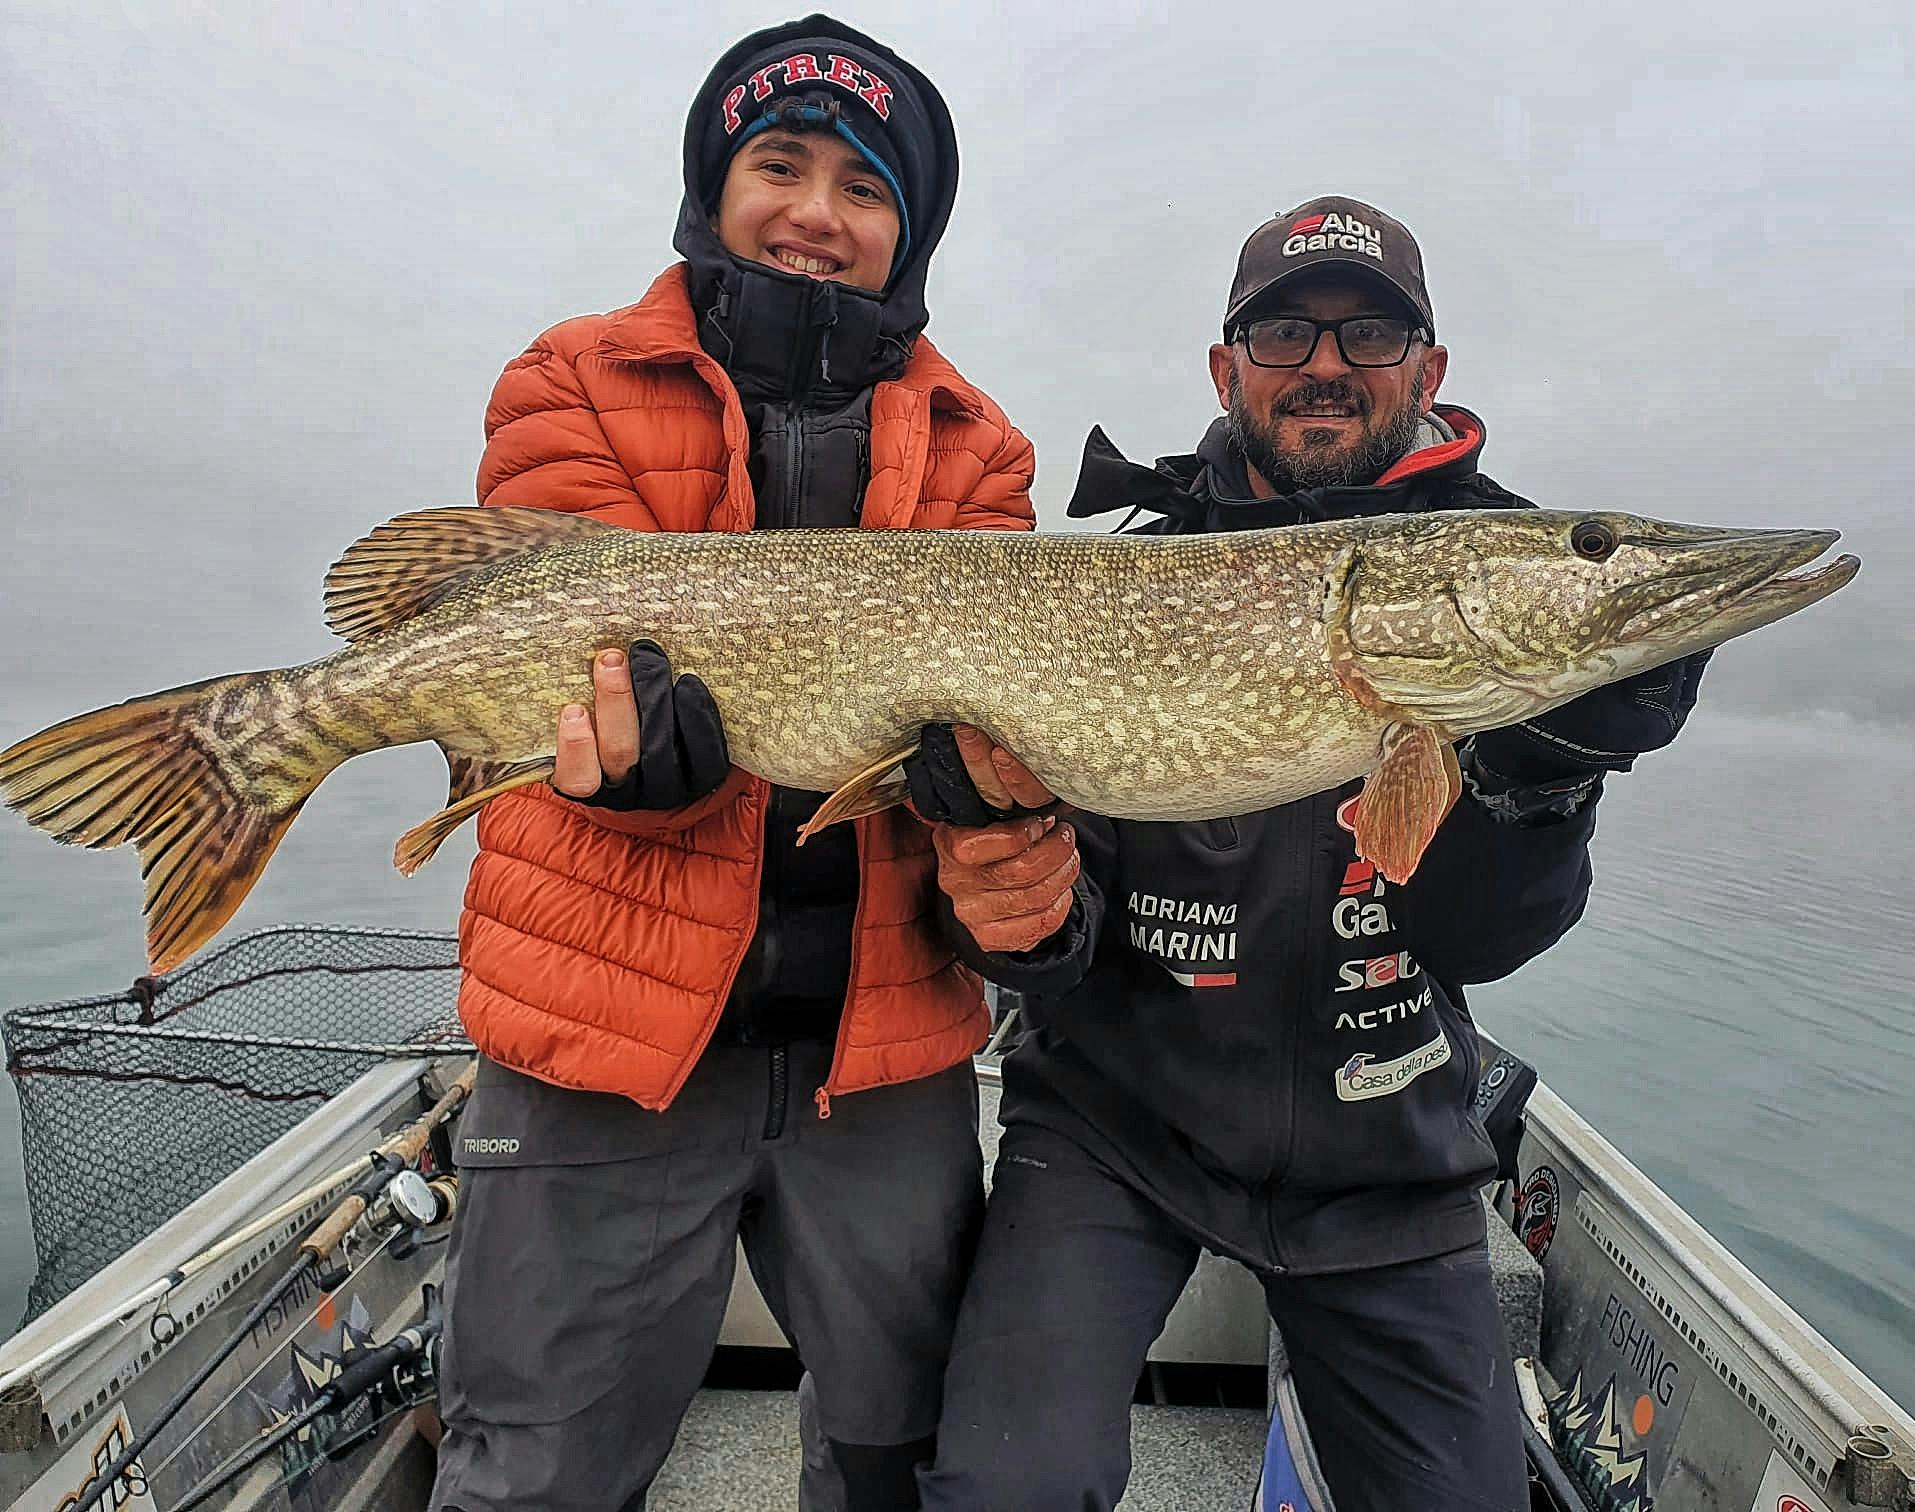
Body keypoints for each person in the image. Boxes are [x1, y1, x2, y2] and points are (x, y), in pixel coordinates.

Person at [909, 196, 1711, 1510]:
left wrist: (1544, 776)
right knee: (1006, 1492)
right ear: (1226, 371)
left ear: (1429, 372)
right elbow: (1051, 946)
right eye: (1284, 332)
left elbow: (1479, 944)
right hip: (1118, 1123)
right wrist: (1014, 906)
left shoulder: (1474, 600)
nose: (1327, 362)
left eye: (1373, 332)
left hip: (1387, 1147)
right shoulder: (1126, 592)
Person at [426, 17, 1036, 1512]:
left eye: (866, 187)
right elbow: (554, 633)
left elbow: (985, 752)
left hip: (875, 1052)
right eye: (781, 164)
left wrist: (986, 795)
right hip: (606, 1041)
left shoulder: (980, 447)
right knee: (537, 1473)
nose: (819, 213)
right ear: (716, 188)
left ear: (910, 234)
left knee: (899, 1454)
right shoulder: (572, 376)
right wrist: (639, 767)